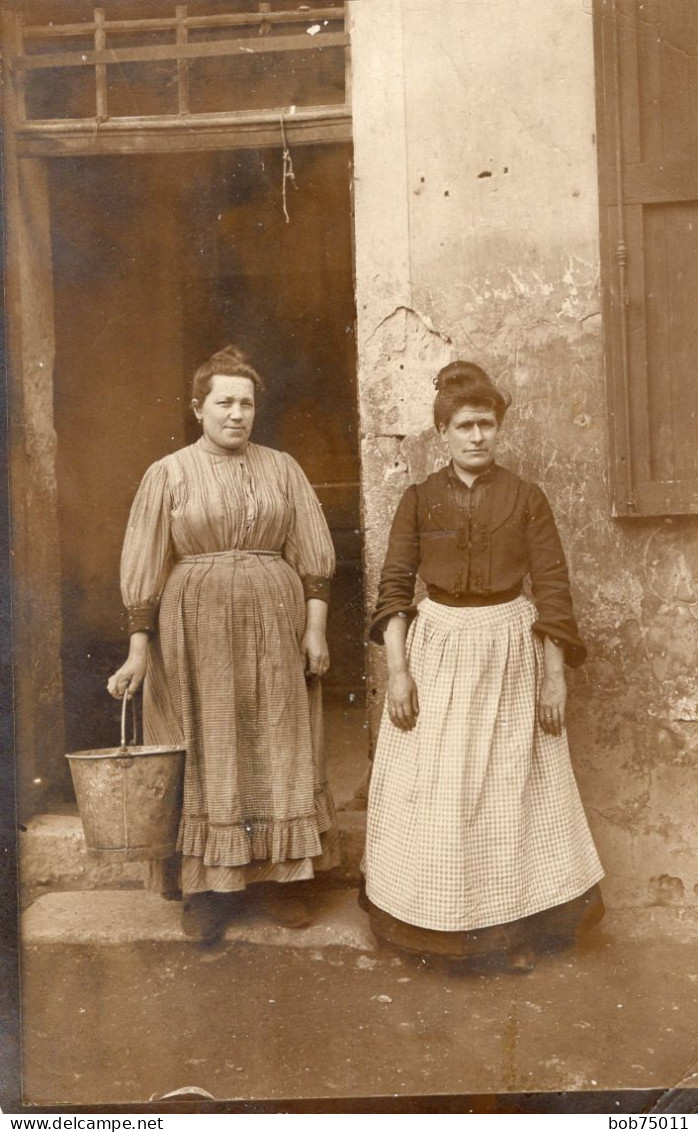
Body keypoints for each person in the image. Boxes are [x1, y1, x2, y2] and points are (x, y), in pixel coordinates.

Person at [360, 361, 604, 971]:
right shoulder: (418, 501)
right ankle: (434, 930)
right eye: (464, 425)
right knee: (438, 789)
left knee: (507, 790)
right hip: (438, 645)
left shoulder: (526, 498)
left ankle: (510, 932)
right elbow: (394, 588)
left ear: (498, 429)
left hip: (509, 649)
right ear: (442, 431)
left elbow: (552, 589)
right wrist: (398, 671)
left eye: (487, 425)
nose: (477, 436)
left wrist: (554, 675)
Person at [107, 345, 338, 942]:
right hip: (195, 633)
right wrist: (138, 650)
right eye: (224, 402)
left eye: (247, 403)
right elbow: (145, 569)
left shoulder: (283, 468)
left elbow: (313, 557)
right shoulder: (169, 473)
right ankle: (207, 889)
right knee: (206, 744)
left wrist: (314, 630)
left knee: (276, 739)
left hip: (276, 626)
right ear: (198, 408)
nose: (237, 414)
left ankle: (283, 879)